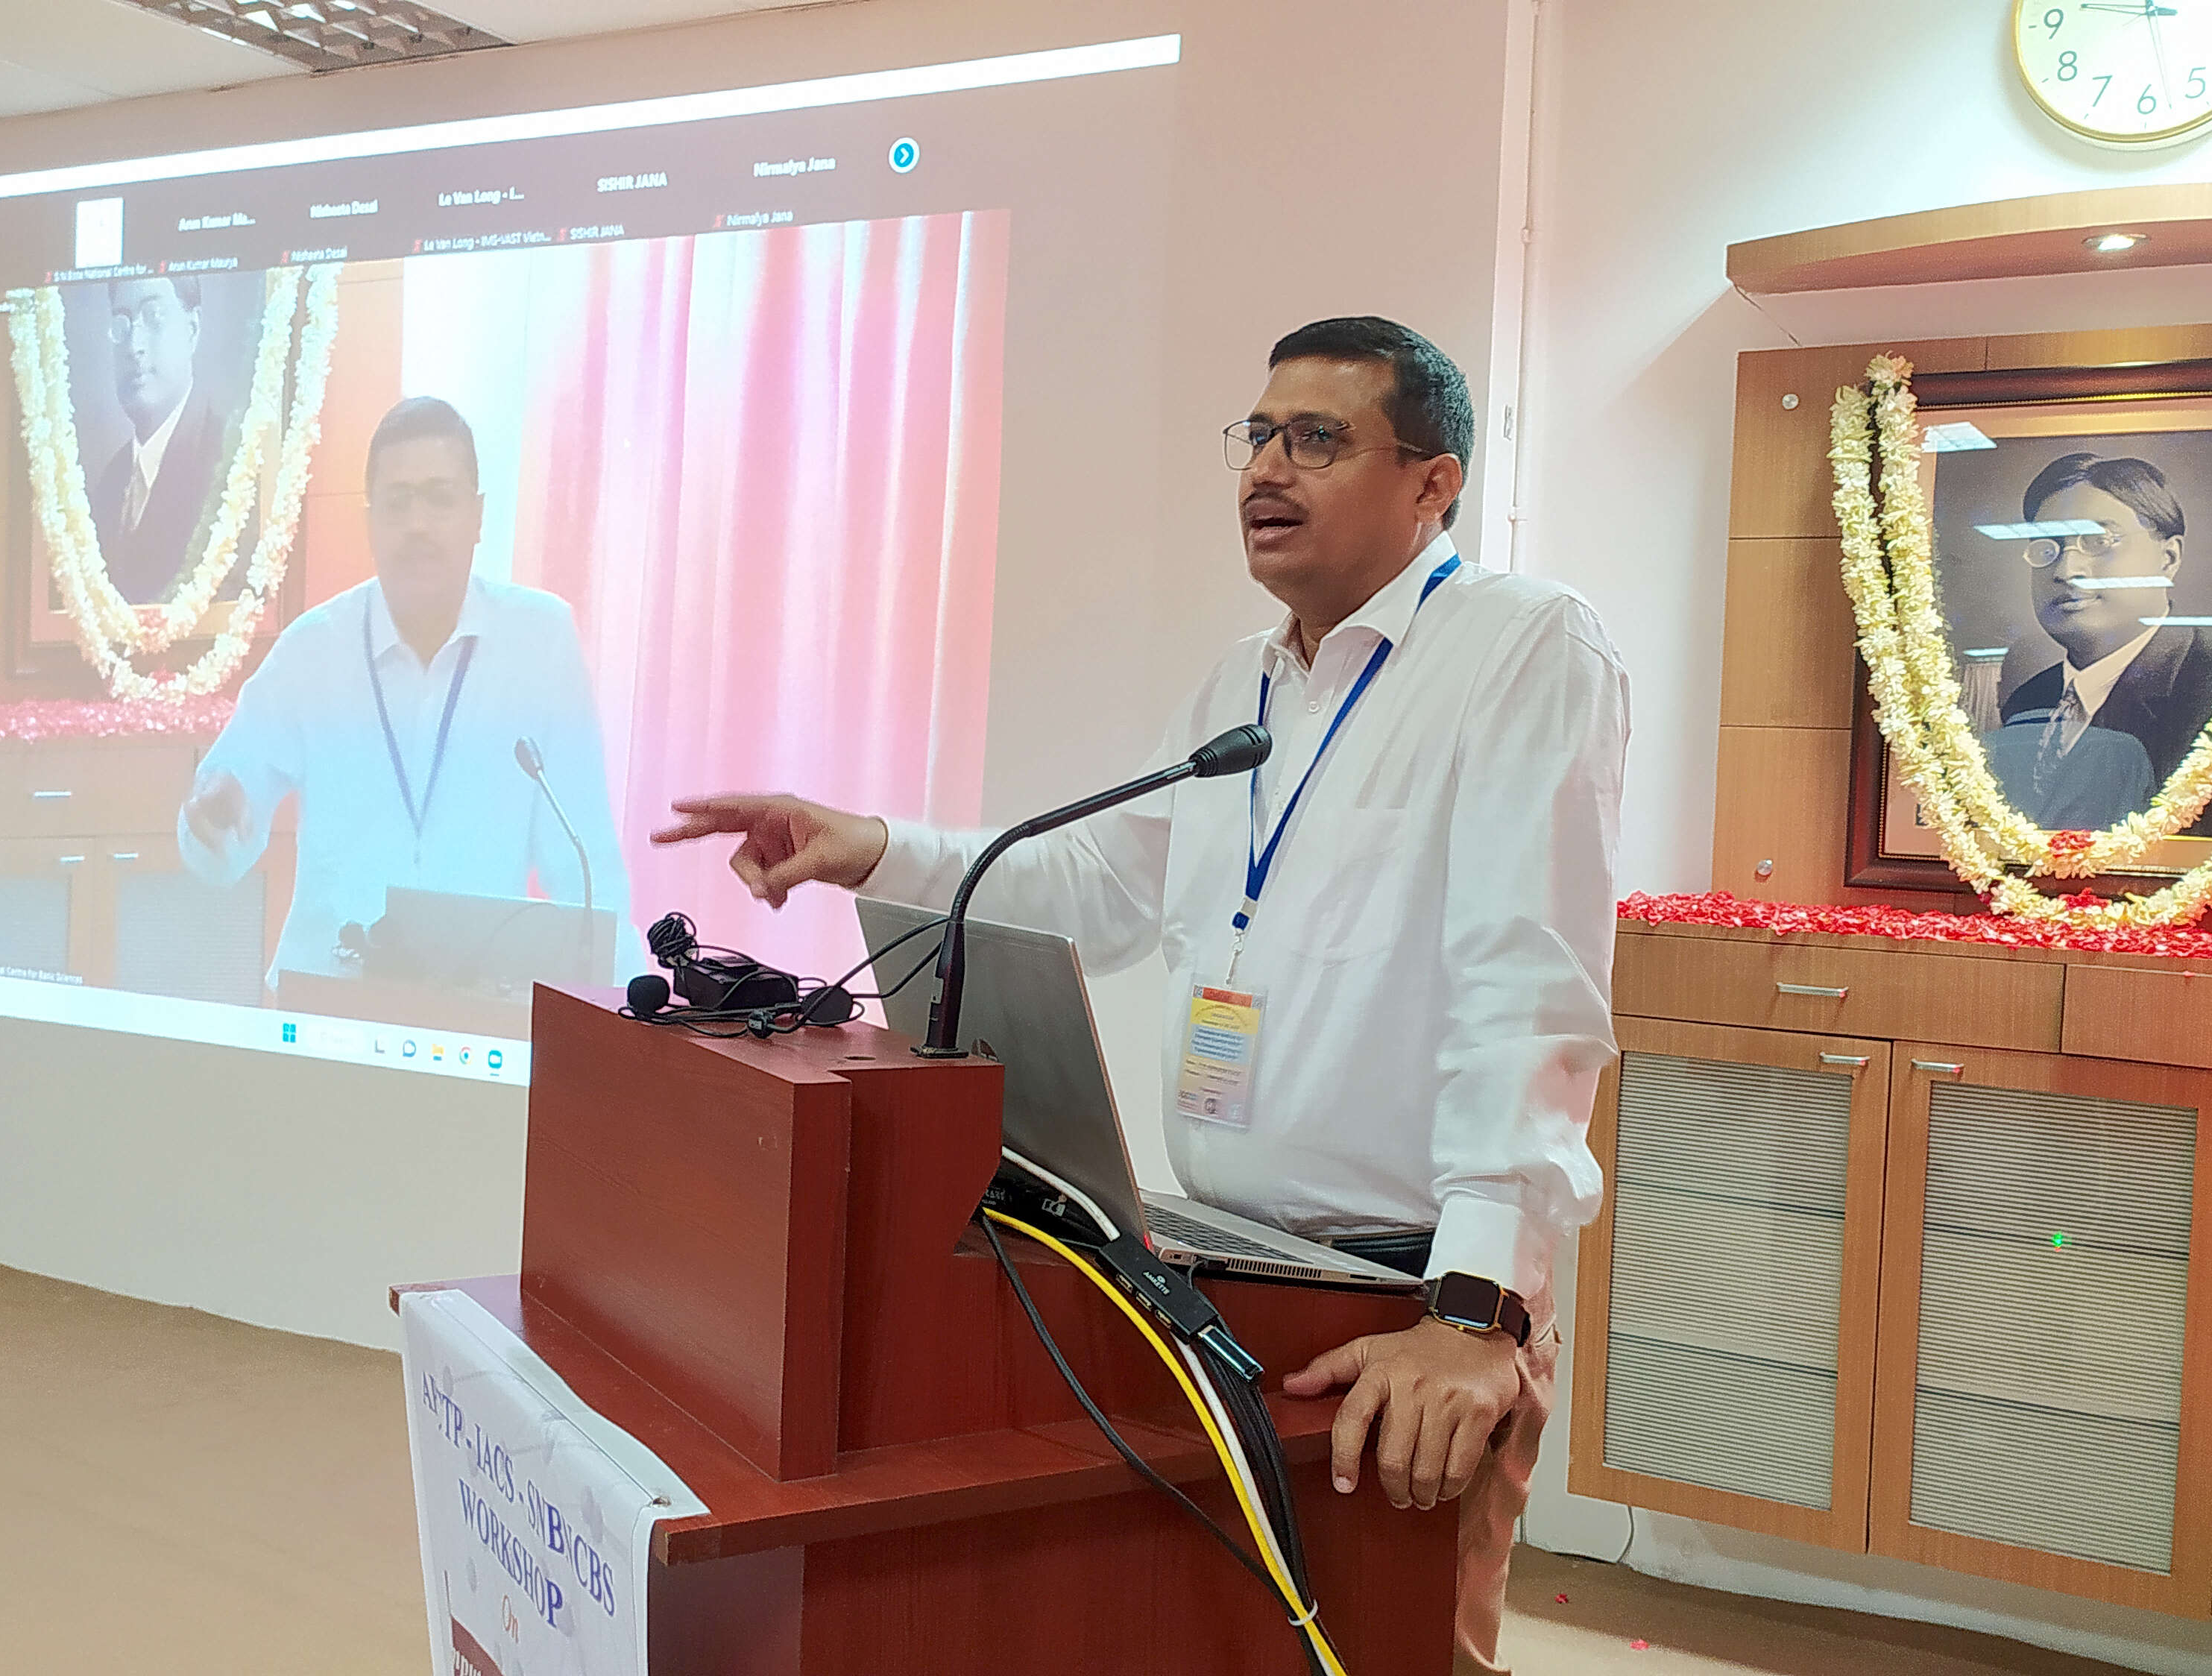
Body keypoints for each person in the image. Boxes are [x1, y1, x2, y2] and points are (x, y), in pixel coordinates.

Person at [655, 318, 1627, 1675]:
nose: (1267, 468)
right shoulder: (1247, 680)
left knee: (1397, 1650)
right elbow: (1102, 886)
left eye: (1319, 439)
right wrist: (869, 845)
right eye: (1260, 435)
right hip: (1223, 1265)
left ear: (1433, 482)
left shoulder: (1519, 647)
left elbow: (1529, 985)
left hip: (1404, 1297)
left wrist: (1474, 1314)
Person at [180, 397, 632, 988]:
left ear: (477, 517)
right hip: (326, 1002)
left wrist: (630, 1014)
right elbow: (220, 834)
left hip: (477, 1009)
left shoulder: (539, 641)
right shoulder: (313, 650)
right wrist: (212, 826)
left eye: (440, 498)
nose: (418, 524)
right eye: (397, 503)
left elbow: (585, 866)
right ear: (371, 522)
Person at [1994, 451, 2212, 835]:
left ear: (2168, 558)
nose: (2066, 570)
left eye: (2099, 540)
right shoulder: (2029, 700)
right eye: (2046, 549)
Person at [88, 277, 237, 605]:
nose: (134, 345)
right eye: (122, 324)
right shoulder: (110, 484)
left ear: (192, 329)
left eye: (154, 316)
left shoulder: (232, 462)